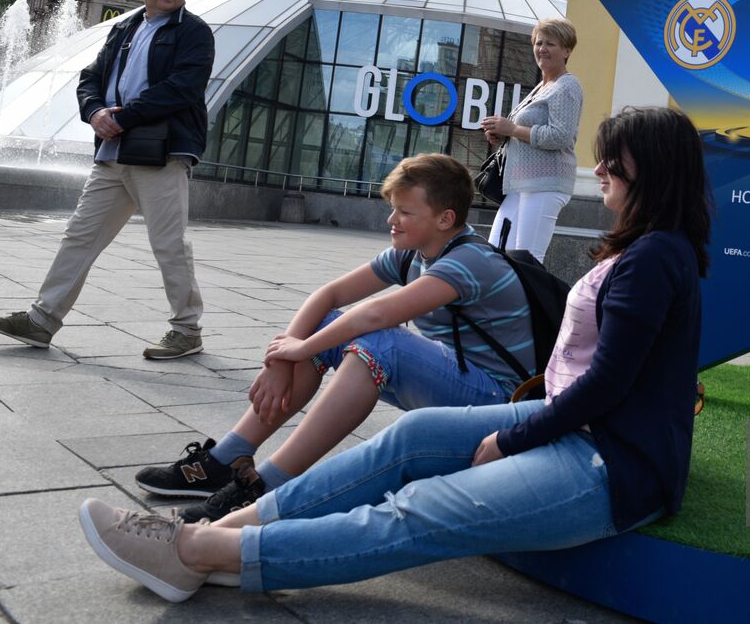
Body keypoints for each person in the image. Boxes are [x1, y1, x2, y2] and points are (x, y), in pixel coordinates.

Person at [78, 106, 710, 603]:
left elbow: (607, 386)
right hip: (571, 427)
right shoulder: (645, 249)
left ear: (651, 171)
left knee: (415, 515)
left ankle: (194, 554)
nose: (598, 172)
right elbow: (341, 300)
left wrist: (513, 439)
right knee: (408, 439)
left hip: (610, 465)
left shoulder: (656, 258)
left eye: (612, 163)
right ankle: (226, 525)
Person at [131, 152, 532, 523]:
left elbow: (376, 313)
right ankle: (228, 458)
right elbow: (328, 296)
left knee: (378, 339)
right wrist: (281, 359)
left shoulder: (470, 260)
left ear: (445, 219)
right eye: (392, 207)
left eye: (405, 211)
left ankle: (266, 487)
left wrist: (301, 348)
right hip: (457, 382)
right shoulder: (412, 253)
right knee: (325, 326)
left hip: (497, 402)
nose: (391, 219)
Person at [0, 0, 214, 360]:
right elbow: (90, 79)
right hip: (113, 153)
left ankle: (187, 330)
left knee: (168, 244)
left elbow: (182, 87)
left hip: (162, 153)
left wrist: (124, 117)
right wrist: (95, 112)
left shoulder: (194, 33)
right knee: (80, 235)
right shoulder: (125, 28)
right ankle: (42, 321)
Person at [479, 16, 582, 262]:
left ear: (567, 50)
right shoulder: (542, 87)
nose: (542, 49)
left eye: (551, 44)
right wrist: (502, 134)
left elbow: (561, 136)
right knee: (497, 252)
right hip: (521, 184)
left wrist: (512, 129)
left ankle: (530, 301)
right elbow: (524, 132)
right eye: (539, 42)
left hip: (545, 184)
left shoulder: (567, 86)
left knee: (527, 259)